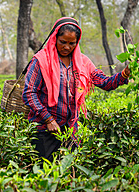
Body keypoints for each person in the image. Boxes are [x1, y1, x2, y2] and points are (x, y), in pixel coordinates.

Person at [22, 17, 130, 162]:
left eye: (72, 43)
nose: (67, 47)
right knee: (43, 175)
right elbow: (29, 93)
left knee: (68, 174)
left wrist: (125, 73)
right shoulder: (41, 60)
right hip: (44, 131)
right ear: (55, 38)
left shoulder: (82, 62)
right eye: (63, 42)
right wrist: (48, 119)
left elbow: (105, 83)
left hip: (70, 131)